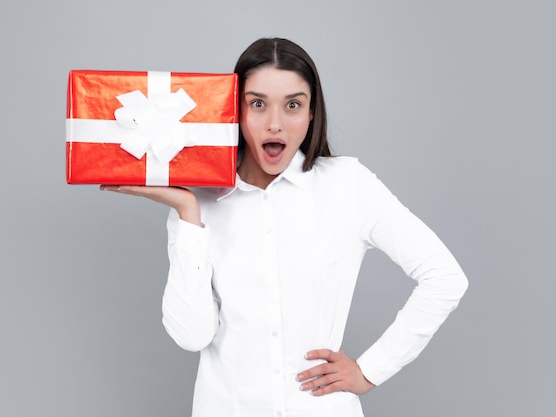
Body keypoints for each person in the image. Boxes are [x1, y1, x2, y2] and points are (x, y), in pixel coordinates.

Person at [101, 38, 468, 417]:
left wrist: (370, 370)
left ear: (311, 114)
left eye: (293, 105)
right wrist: (186, 211)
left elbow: (445, 277)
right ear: (235, 111)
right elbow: (191, 336)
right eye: (257, 104)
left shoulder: (348, 185)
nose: (274, 123)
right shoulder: (199, 200)